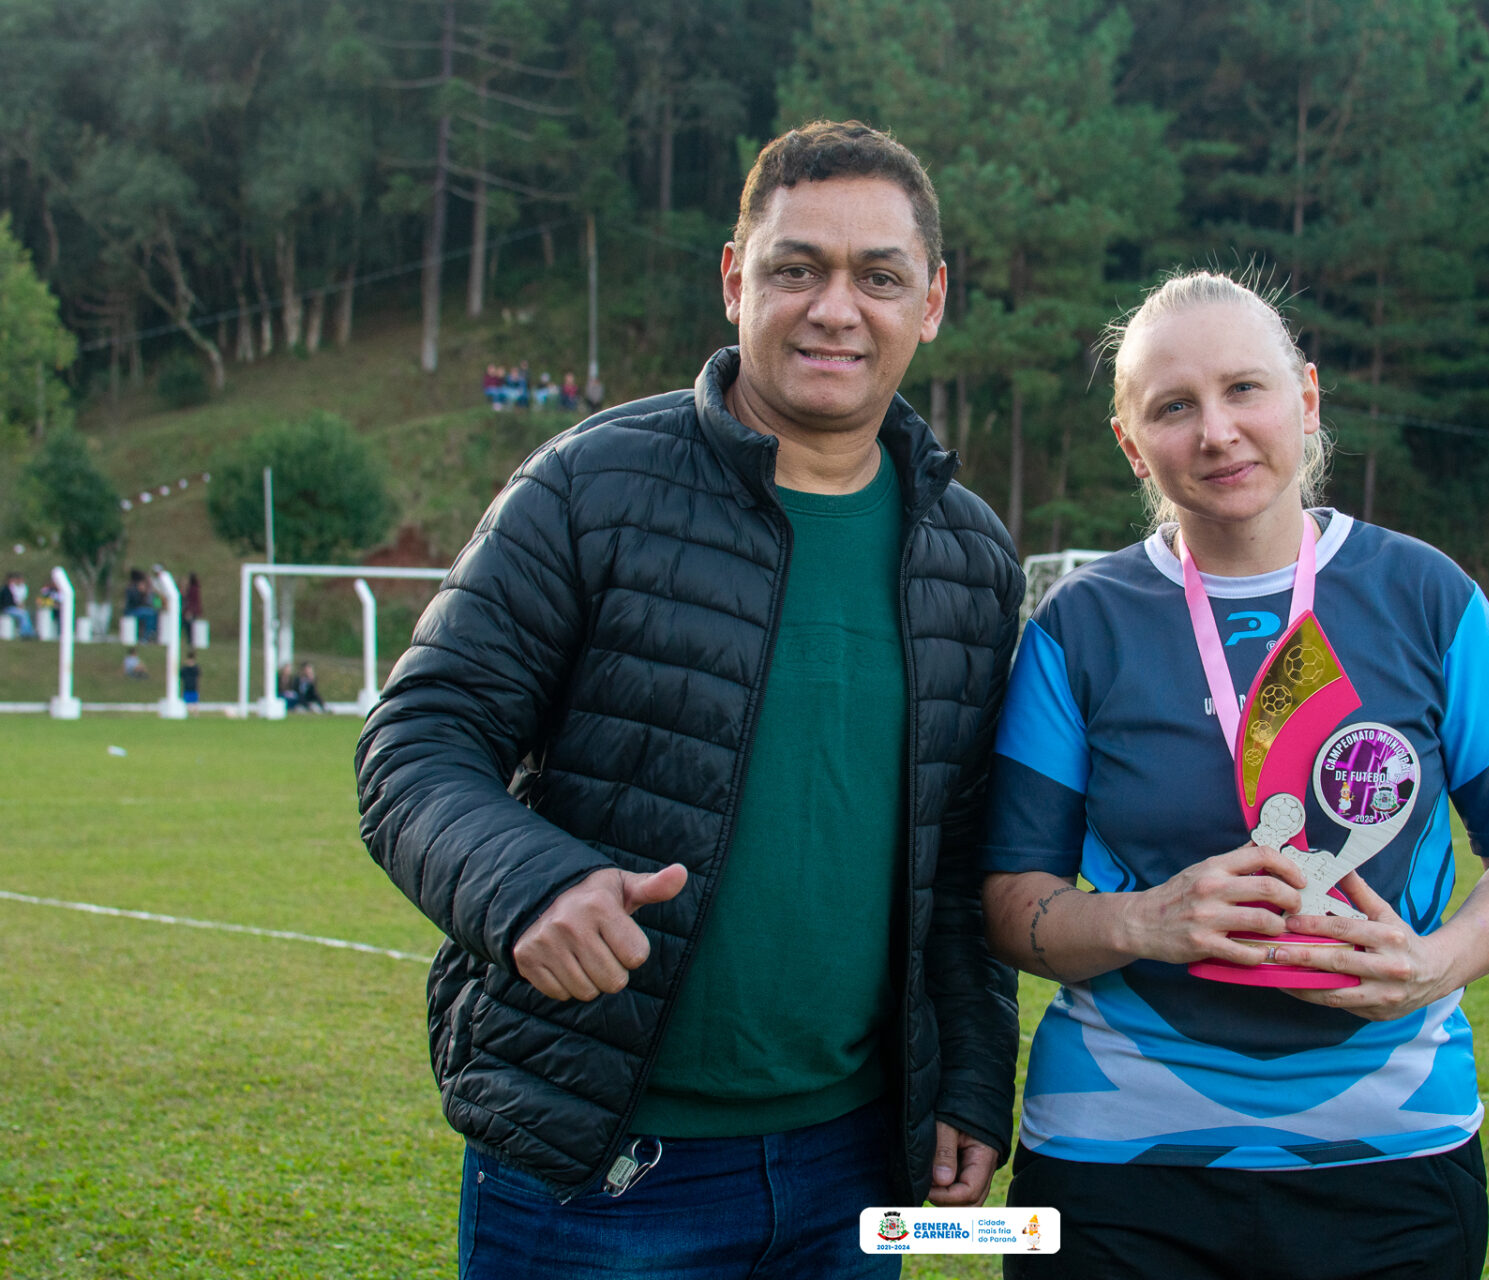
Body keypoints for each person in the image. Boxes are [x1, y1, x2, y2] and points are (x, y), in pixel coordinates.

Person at [355, 120, 1023, 1280]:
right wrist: (529, 883)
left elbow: (959, 856)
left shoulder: (970, 555)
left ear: (932, 301)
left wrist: (967, 1072)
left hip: (852, 1167)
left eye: (878, 277)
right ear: (733, 279)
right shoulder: (587, 485)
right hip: (602, 1164)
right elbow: (419, 739)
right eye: (795, 267)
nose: (834, 308)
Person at [979, 272, 1489, 1280]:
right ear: (1133, 443)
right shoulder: (1080, 625)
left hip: (1393, 1156)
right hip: (1118, 1162)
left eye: (1244, 389)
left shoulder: (1426, 595)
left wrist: (1443, 960)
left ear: (1305, 398)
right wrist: (1143, 920)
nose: (1216, 431)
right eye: (1174, 406)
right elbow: (1008, 900)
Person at [124, 569, 159, 642]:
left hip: (137, 610)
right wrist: (141, 593)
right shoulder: (132, 589)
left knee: (153, 613)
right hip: (131, 611)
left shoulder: (138, 588)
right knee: (150, 614)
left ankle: (151, 633)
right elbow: (136, 602)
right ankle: (147, 635)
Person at [3, 573, 34, 639]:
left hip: (12, 607)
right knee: (23, 614)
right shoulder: (5, 589)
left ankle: (28, 632)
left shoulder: (12, 589)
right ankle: (26, 633)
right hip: (7, 608)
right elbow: (6, 602)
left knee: (25, 613)